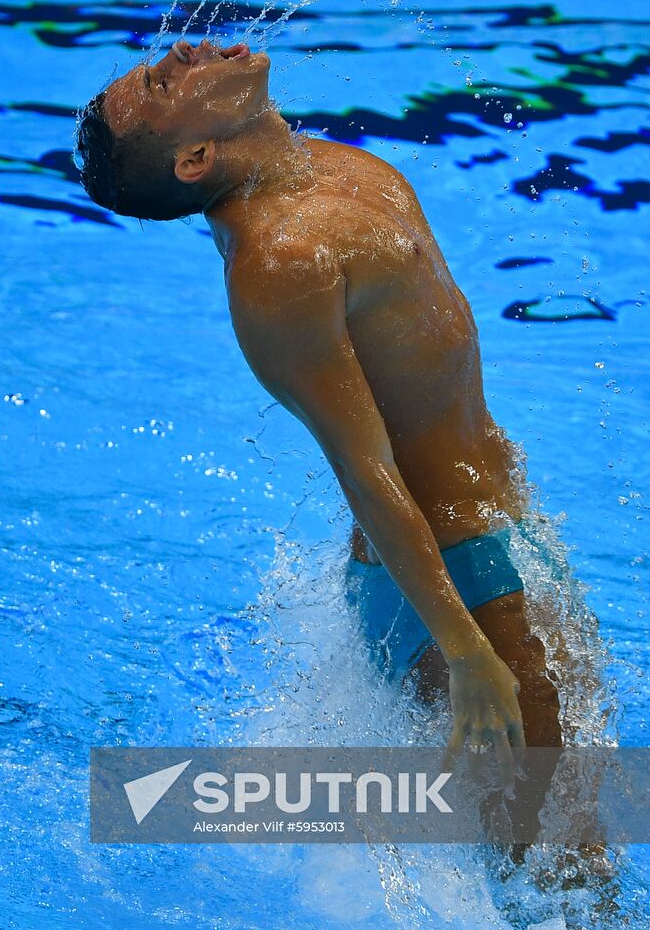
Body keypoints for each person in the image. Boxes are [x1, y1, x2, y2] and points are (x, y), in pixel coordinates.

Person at [76, 38, 562, 770]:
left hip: (493, 529)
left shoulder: (327, 167)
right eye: (162, 83)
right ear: (196, 159)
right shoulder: (279, 263)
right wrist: (468, 654)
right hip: (455, 580)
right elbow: (364, 471)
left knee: (570, 847)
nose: (178, 52)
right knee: (564, 861)